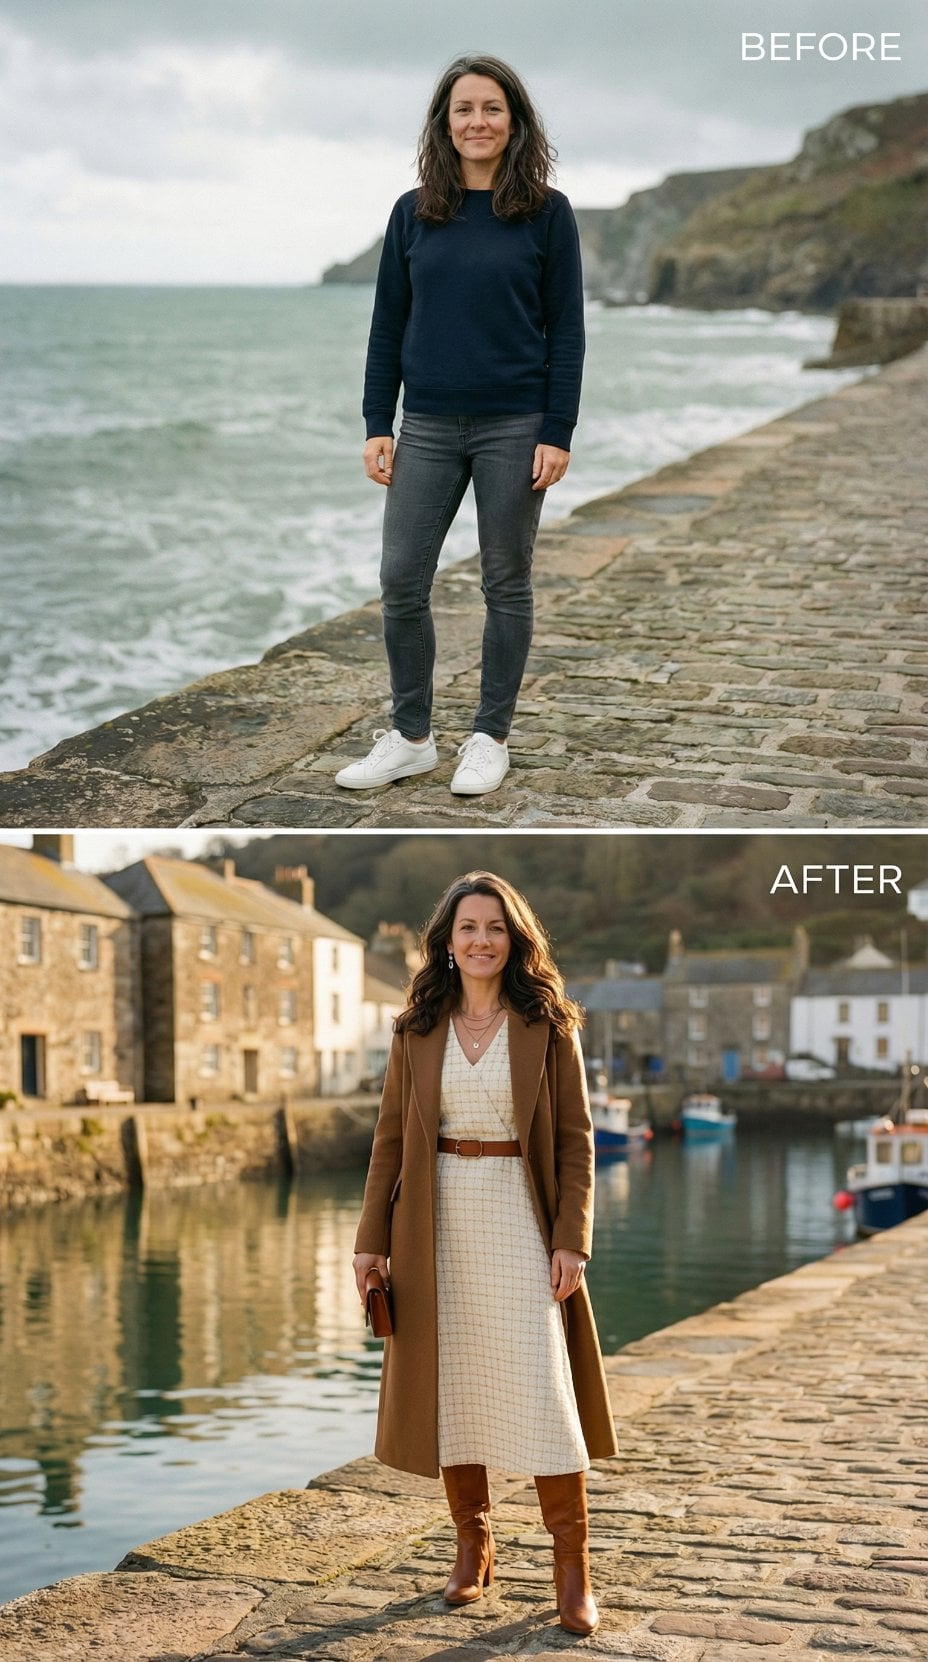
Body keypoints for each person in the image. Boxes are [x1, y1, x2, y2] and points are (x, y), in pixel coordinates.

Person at [352, 872, 617, 1634]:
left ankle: (573, 1568)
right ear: (446, 940)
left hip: (519, 1215)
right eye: (467, 927)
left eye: (495, 927)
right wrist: (371, 1244)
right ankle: (474, 1546)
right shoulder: (416, 1028)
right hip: (432, 1223)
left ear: (515, 938)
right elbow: (390, 1144)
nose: (480, 940)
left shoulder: (549, 1024)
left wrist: (573, 1238)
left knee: (542, 1389)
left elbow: (576, 1143)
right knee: (455, 1385)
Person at [335, 54, 584, 798]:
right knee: (400, 579)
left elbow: (566, 332)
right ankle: (412, 737)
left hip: (517, 424)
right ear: (445, 124)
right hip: (430, 426)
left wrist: (557, 430)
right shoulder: (414, 211)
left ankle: (489, 736)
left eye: (492, 109)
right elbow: (389, 325)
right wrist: (379, 420)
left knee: (506, 581)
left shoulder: (548, 211)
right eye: (463, 110)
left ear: (515, 123)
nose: (477, 122)